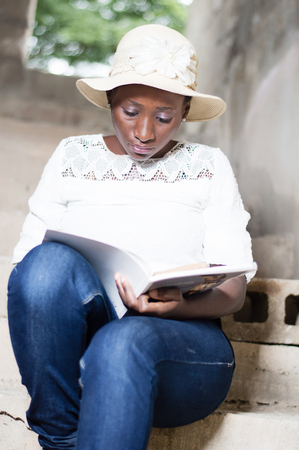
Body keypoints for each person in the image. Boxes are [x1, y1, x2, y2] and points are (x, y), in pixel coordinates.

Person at [7, 24, 254, 450]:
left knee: (123, 341)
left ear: (184, 110)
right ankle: (63, 437)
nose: (144, 133)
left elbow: (233, 290)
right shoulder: (72, 156)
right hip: (81, 344)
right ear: (109, 101)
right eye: (130, 111)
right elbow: (29, 279)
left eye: (164, 117)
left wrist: (176, 307)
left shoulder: (208, 165)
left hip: (182, 353)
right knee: (43, 267)